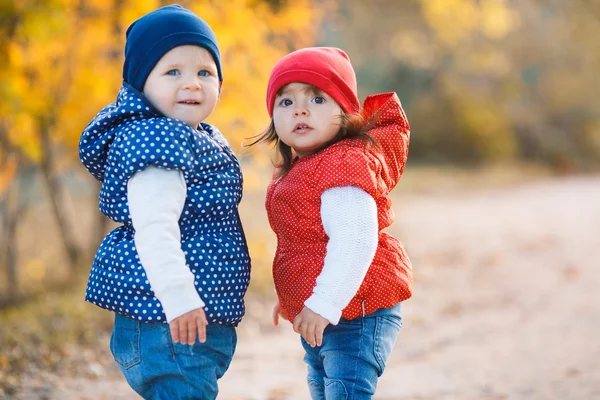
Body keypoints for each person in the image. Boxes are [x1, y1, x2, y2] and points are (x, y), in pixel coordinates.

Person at [78, 5, 250, 399]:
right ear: (142, 83)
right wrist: (179, 299)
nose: (192, 84)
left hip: (183, 321)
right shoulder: (157, 142)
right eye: (173, 72)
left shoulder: (193, 135)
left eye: (205, 73)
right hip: (169, 320)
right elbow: (155, 228)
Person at [250, 47, 413, 399]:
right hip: (326, 306)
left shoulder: (343, 164)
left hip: (358, 310)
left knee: (346, 391)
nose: (301, 110)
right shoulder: (299, 167)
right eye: (286, 102)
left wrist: (323, 302)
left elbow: (355, 241)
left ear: (346, 112)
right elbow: (303, 241)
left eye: (318, 99)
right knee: (323, 389)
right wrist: (293, 291)